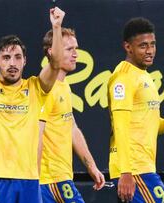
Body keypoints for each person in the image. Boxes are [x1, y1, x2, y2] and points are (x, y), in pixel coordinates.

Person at [0, 3, 65, 203]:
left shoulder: (36, 88)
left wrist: (56, 28)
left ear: (25, 61)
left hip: (28, 180)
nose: (12, 63)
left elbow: (55, 63)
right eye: (6, 57)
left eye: (18, 57)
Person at [107, 17, 164, 203]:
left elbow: (146, 123)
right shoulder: (123, 78)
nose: (150, 51)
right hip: (135, 171)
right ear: (128, 47)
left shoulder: (144, 76)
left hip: (142, 168)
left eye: (153, 44)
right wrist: (126, 172)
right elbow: (120, 126)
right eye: (143, 46)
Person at [38, 28, 106, 203]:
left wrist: (92, 167)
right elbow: (36, 134)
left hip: (60, 178)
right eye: (69, 49)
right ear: (52, 52)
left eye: (76, 49)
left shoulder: (63, 85)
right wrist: (33, 179)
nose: (76, 54)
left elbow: (72, 128)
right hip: (49, 181)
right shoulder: (46, 88)